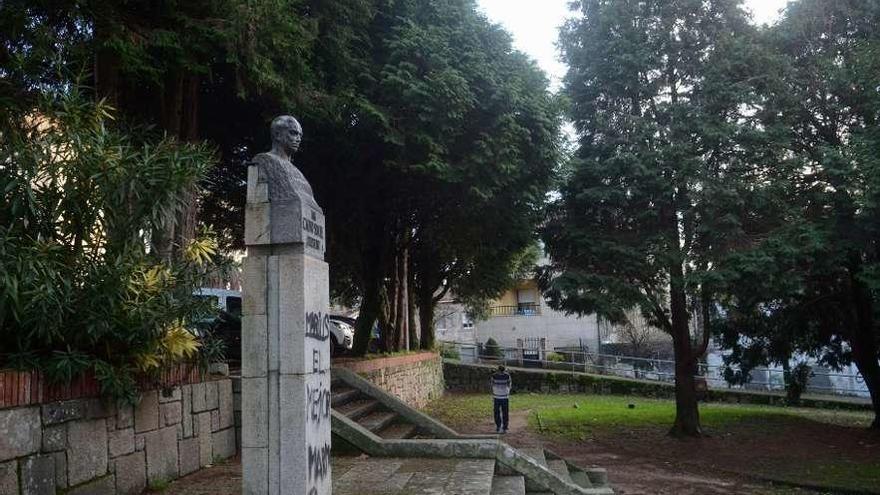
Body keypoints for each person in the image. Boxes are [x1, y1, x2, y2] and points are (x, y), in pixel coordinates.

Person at [491, 365, 512, 433]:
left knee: (496, 412)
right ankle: (505, 428)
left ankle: (498, 426)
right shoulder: (507, 375)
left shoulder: (494, 375)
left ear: (498, 370)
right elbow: (509, 385)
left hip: (496, 397)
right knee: (505, 412)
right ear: (504, 370)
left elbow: (492, 384)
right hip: (505, 397)